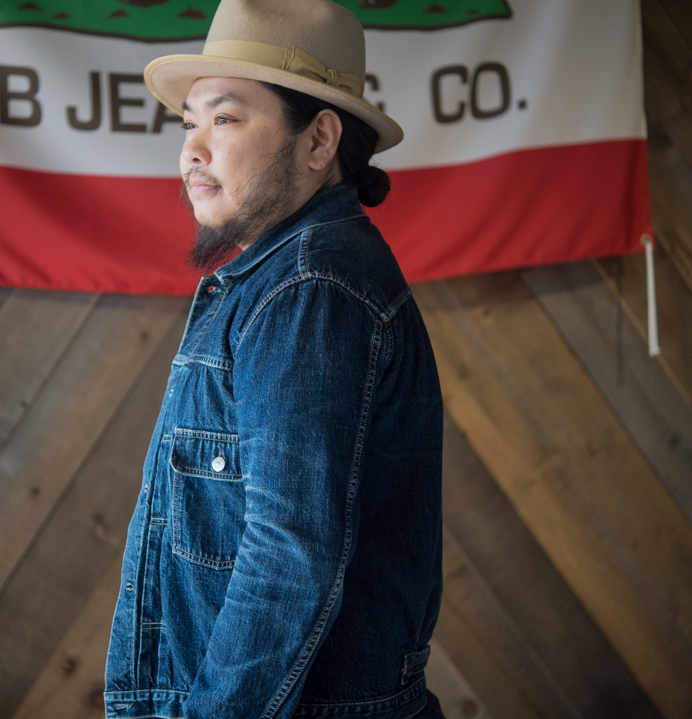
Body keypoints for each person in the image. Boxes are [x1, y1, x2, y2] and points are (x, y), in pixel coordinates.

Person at [104, 1, 444, 717]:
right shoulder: (285, 277)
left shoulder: (309, 289)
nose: (192, 151)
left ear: (319, 139)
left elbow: (289, 556)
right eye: (188, 123)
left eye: (224, 119)